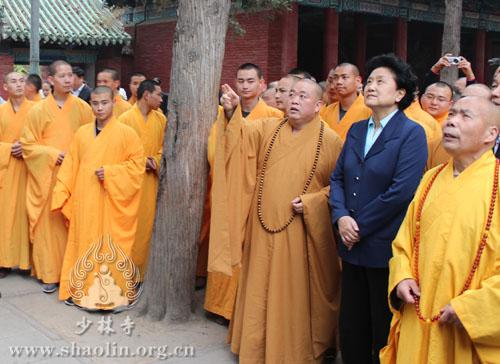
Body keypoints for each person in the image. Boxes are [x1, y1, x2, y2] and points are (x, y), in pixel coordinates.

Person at [211, 78, 342, 363]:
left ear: (319, 105)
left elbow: (339, 188)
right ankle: (255, 346)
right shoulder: (268, 128)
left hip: (300, 231)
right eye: (291, 94)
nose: (294, 100)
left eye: (303, 96)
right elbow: (240, 137)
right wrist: (233, 112)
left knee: (293, 292)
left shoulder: (331, 141)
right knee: (258, 286)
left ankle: (292, 350)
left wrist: (312, 202)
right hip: (262, 226)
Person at [380, 96, 500, 364]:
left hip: (467, 329)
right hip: (418, 312)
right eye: (452, 114)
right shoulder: (430, 178)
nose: (451, 121)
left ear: (491, 134)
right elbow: (404, 242)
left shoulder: (497, 185)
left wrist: (472, 309)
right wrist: (402, 276)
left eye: (465, 116)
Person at [330, 54, 427, 364]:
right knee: (351, 324)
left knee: (381, 326)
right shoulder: (357, 130)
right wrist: (341, 216)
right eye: (369, 80)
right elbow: (337, 178)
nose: (371, 86)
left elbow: (401, 192)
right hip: (349, 243)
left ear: (400, 94)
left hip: (383, 244)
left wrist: (358, 225)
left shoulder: (411, 133)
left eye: (380, 81)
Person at [203, 63, 282, 323]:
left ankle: (242, 306)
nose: (245, 86)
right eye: (240, 81)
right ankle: (219, 304)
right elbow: (216, 149)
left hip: (257, 191)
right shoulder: (224, 113)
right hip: (228, 190)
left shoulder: (273, 115)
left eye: (250, 81)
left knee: (250, 250)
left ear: (262, 83)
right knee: (225, 240)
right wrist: (229, 113)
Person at [53, 86, 144, 311]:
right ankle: (83, 293)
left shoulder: (127, 133)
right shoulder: (82, 133)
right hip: (85, 202)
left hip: (113, 204)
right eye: (95, 103)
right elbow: (71, 165)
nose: (100, 107)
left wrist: (113, 173)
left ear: (114, 102)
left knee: (112, 247)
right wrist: (62, 191)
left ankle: (113, 297)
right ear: (90, 104)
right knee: (84, 245)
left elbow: (137, 166)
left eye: (104, 102)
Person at [20, 60, 93, 294]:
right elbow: (27, 145)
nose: (68, 80)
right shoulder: (38, 110)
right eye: (62, 76)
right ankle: (49, 273)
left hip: (73, 175)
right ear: (50, 80)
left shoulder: (83, 108)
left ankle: (71, 272)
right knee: (48, 226)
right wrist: (52, 154)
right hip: (47, 177)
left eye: (70, 75)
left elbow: (91, 141)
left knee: (70, 224)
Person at [119, 80, 167, 278]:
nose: (162, 98)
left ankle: (144, 274)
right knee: (129, 228)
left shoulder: (161, 120)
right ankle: (125, 274)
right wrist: (140, 162)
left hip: (151, 182)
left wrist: (155, 161)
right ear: (147, 95)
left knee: (147, 229)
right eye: (158, 94)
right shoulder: (125, 119)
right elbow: (118, 151)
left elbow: (165, 148)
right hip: (130, 182)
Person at [0, 72, 35, 278]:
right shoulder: (0, 111)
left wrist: (27, 148)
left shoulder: (35, 110)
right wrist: (8, 148)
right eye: (13, 81)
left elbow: (42, 139)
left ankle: (26, 262)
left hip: (30, 169)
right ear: (5, 87)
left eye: (22, 81)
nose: (19, 84)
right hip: (6, 171)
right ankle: (4, 261)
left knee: (27, 215)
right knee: (4, 217)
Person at [322, 63, 371, 141]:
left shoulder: (369, 110)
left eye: (344, 77)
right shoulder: (326, 111)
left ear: (358, 81)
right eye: (336, 78)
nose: (339, 82)